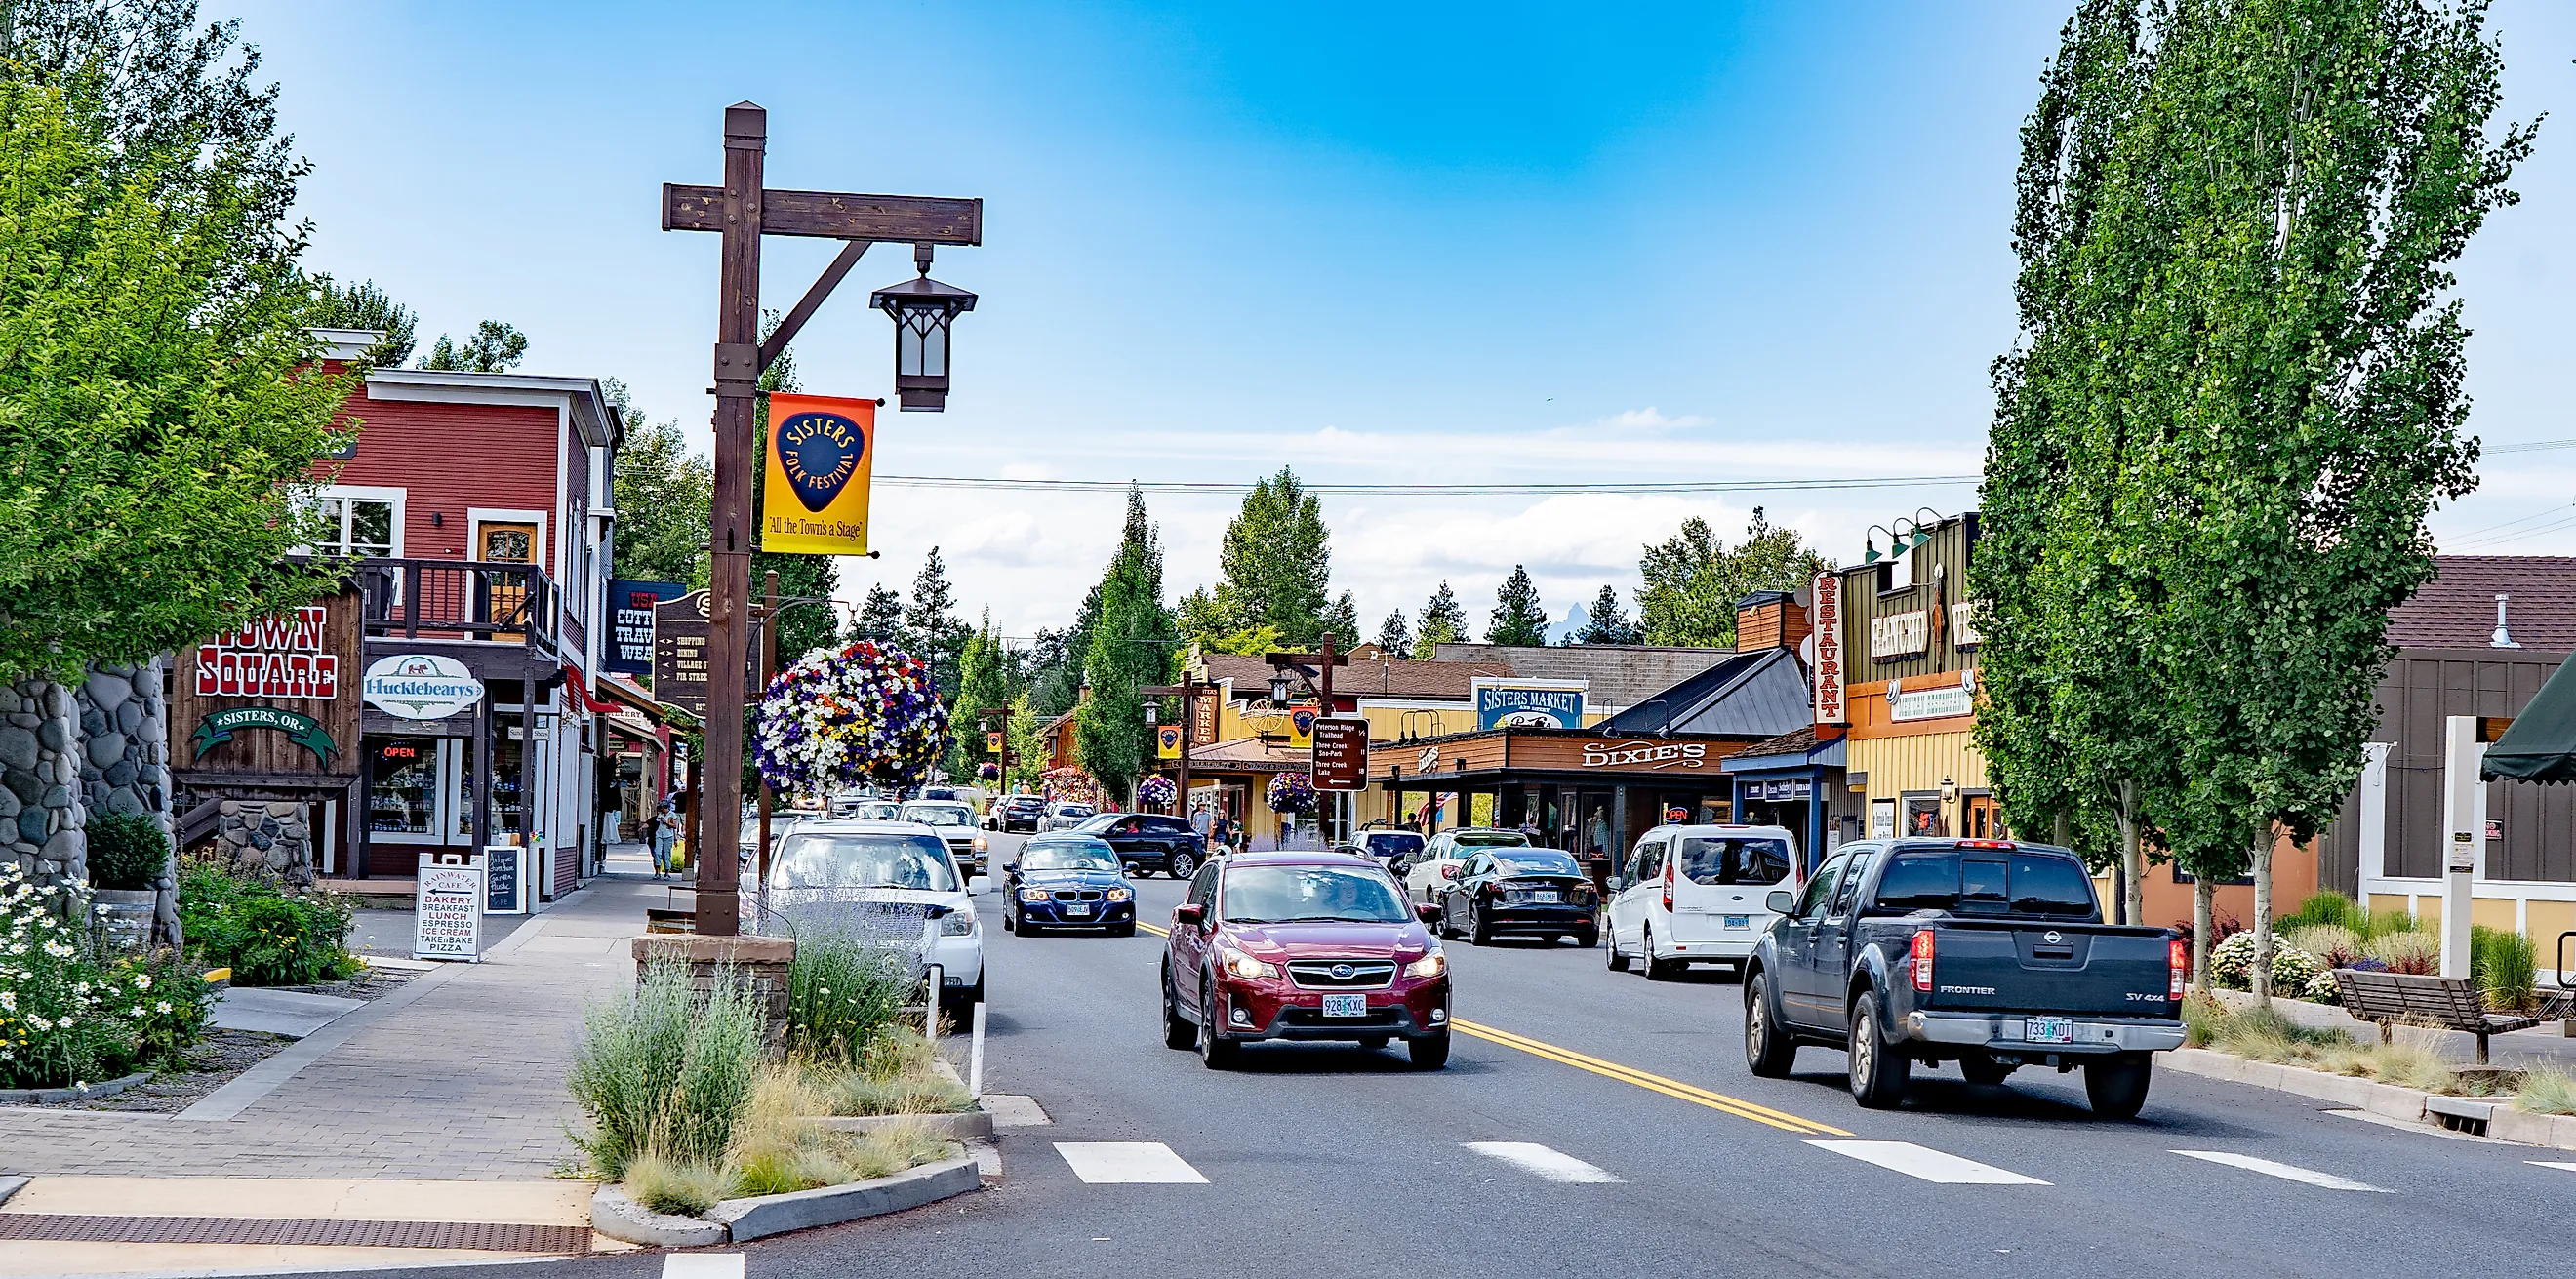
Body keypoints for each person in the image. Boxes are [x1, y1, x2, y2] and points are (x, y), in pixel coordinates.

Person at [651, 802, 679, 880]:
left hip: (668, 836)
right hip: (659, 835)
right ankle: (657, 872)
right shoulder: (660, 815)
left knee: (667, 854)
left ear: (667, 808)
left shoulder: (672, 815)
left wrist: (665, 822)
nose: (661, 810)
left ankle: (667, 873)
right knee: (657, 853)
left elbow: (674, 826)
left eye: (663, 808)